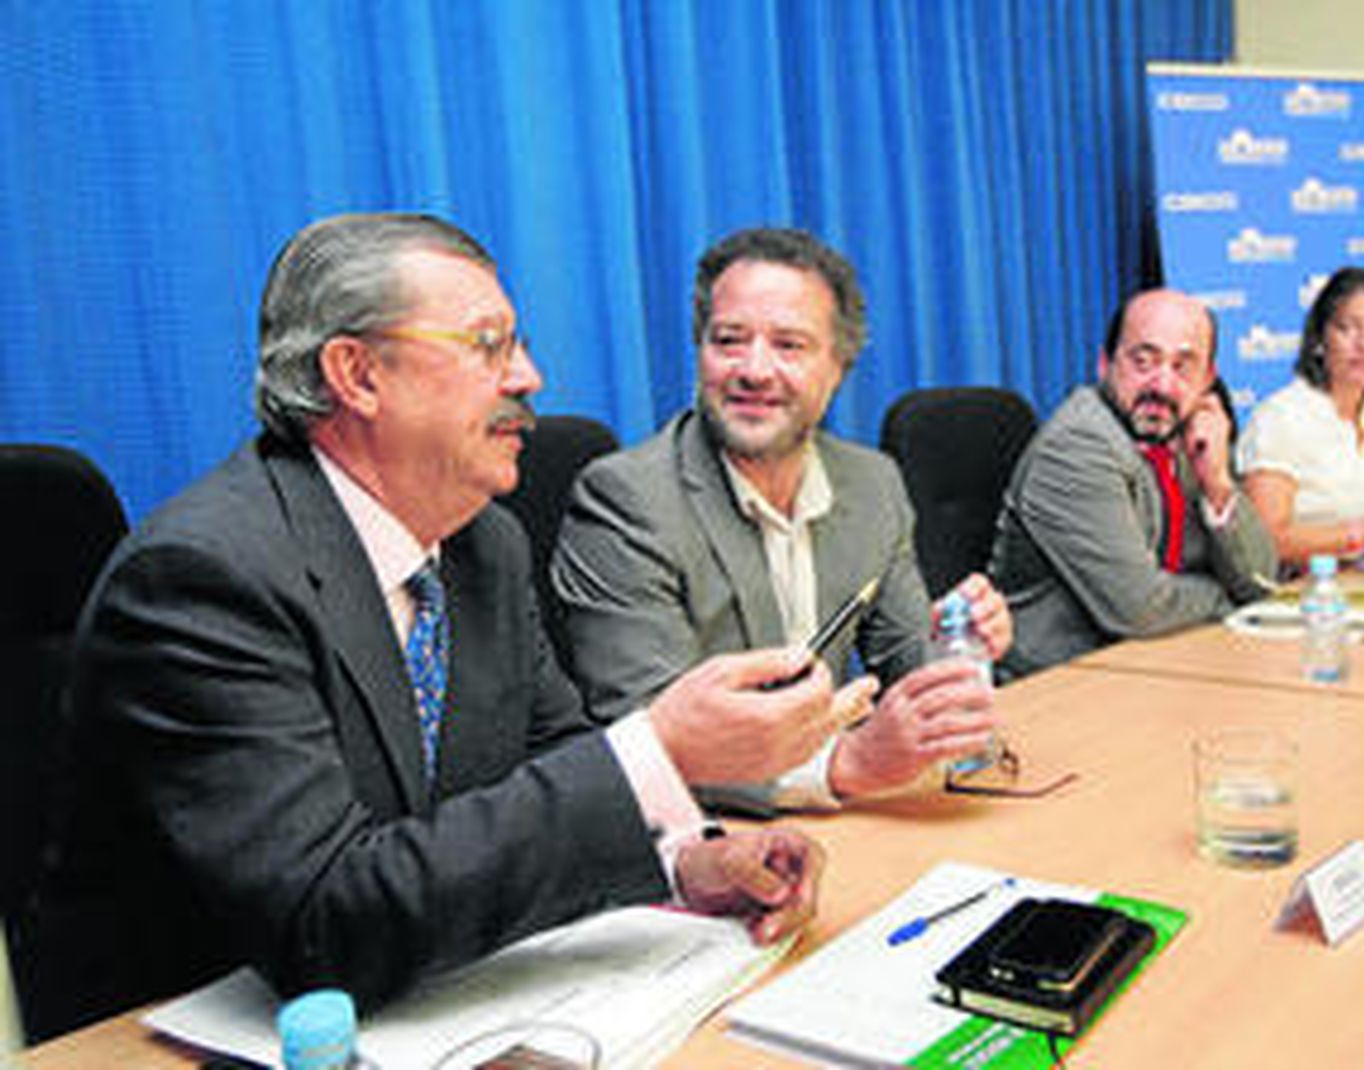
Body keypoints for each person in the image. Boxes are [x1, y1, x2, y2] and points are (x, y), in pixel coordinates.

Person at [18, 213, 830, 1039]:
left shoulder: (484, 542)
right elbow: (323, 926)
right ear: (358, 373)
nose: (532, 376)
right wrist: (661, 748)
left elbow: (550, 764)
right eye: (489, 345)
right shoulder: (202, 577)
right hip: (170, 1036)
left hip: (428, 1004)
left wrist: (686, 861)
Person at [551, 227, 1009, 811]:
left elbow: (906, 667)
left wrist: (957, 643)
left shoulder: (873, 485)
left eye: (789, 345)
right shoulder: (626, 501)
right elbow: (654, 740)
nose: (754, 370)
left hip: (846, 826)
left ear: (839, 367)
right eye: (729, 340)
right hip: (708, 838)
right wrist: (847, 763)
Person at [989, 289, 1277, 677]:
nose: (1161, 384)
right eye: (1144, 361)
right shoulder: (1077, 446)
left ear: (1208, 379)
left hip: (1160, 661)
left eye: (1183, 367)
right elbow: (1140, 609)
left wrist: (1218, 483)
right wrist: (1225, 595)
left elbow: (1261, 579)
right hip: (1059, 679)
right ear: (1105, 364)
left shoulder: (1189, 434)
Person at [1237, 266, 1364, 565]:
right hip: (1290, 593)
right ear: (1320, 338)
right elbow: (1266, 541)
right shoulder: (1281, 418)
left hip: (1351, 583)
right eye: (1348, 327)